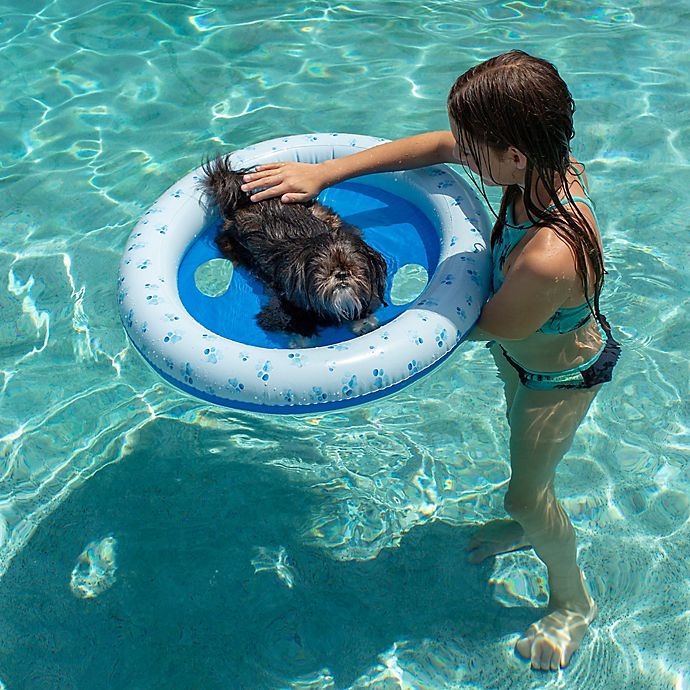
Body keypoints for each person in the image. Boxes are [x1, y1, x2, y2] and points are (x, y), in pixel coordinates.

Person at [240, 50, 621, 671]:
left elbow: (484, 323)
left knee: (527, 495)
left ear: (514, 154)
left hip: (558, 378)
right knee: (523, 469)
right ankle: (527, 521)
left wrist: (360, 321)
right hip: (523, 360)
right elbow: (435, 145)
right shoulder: (540, 167)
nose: (465, 156)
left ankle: (572, 601)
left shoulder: (554, 252)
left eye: (478, 150)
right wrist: (327, 173)